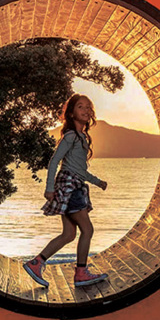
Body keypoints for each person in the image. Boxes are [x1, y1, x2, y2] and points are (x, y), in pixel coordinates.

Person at [23, 93, 108, 288]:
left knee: (69, 234)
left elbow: (79, 169)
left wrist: (97, 182)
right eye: (80, 107)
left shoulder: (81, 137)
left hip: (73, 184)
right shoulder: (70, 136)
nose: (86, 110)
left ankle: (36, 264)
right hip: (70, 188)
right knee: (87, 230)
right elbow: (55, 161)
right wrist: (49, 188)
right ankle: (81, 273)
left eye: (88, 107)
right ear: (70, 113)